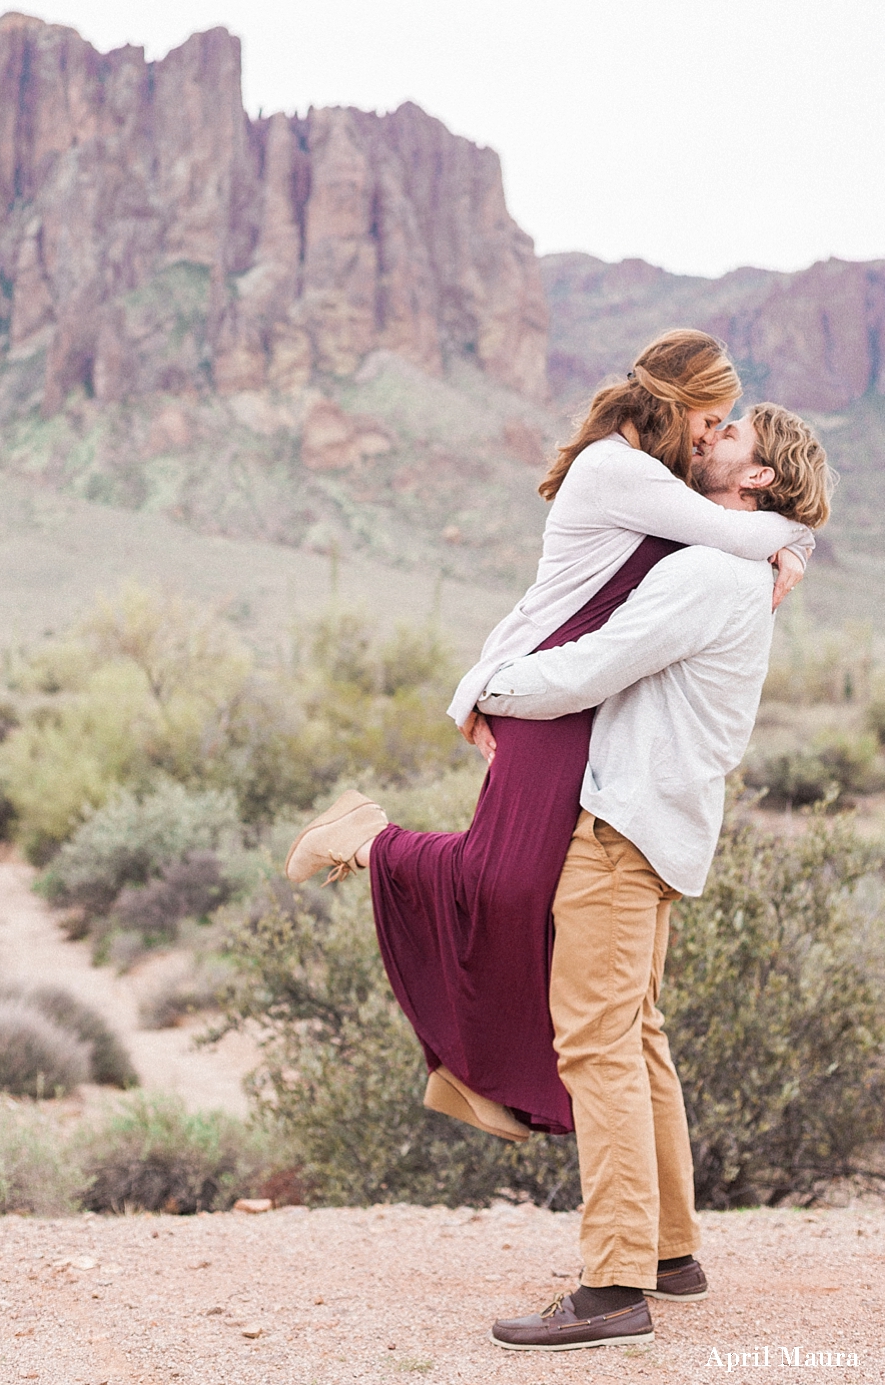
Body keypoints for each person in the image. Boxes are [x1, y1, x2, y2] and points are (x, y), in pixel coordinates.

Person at [285, 330, 820, 1145]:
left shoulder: (661, 479)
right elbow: (742, 535)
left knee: (525, 894)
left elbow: (732, 534)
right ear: (680, 408)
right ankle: (369, 843)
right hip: (543, 687)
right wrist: (793, 537)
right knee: (502, 882)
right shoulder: (620, 470)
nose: (715, 434)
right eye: (713, 419)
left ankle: (476, 1072)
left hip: (573, 702)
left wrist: (788, 533)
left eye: (728, 428)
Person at [474, 399, 833, 1351]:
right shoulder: (738, 562)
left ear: (754, 479)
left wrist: (484, 690)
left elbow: (595, 666)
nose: (707, 438)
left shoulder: (709, 572)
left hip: (621, 828)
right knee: (635, 1035)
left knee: (595, 1044)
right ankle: (669, 1254)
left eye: (728, 438)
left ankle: (613, 1283)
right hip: (661, 825)